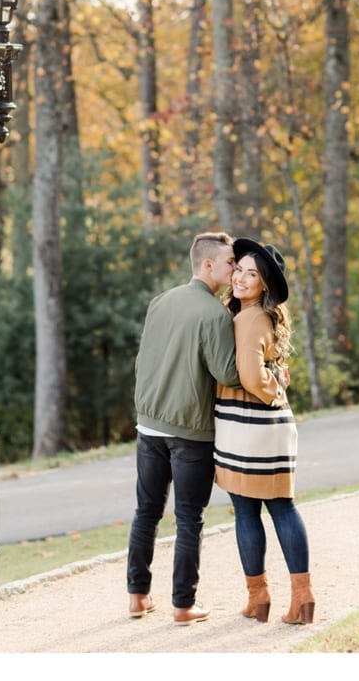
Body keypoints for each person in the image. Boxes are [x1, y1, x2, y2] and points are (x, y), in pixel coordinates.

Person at [126, 231, 241, 625]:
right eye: (230, 262)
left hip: (149, 425)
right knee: (189, 517)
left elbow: (145, 359)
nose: (235, 268)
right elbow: (227, 372)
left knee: (147, 511)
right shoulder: (215, 314)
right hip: (191, 432)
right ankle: (183, 604)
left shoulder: (161, 301)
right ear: (207, 264)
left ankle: (138, 597)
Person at [213, 238, 316, 625]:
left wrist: (274, 387)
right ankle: (300, 598)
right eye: (239, 269)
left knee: (246, 510)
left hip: (248, 425)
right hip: (271, 426)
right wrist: (277, 387)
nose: (240, 277)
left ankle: (259, 598)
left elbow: (251, 376)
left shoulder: (248, 318)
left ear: (264, 285)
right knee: (281, 506)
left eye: (251, 274)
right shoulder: (262, 316)